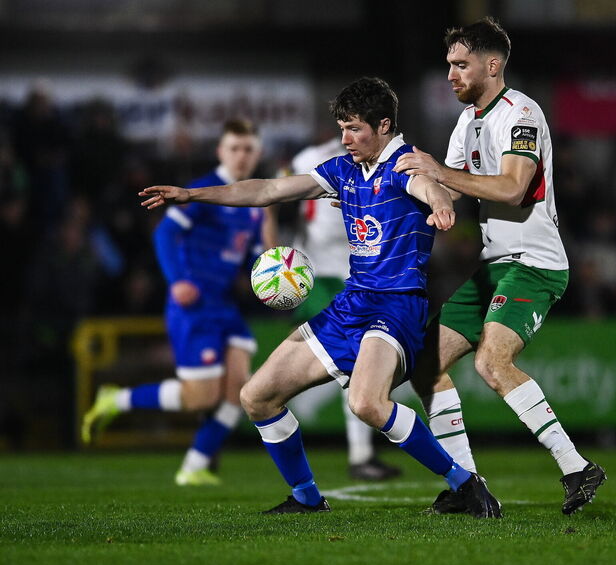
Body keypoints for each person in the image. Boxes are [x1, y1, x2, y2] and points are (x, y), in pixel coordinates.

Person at [139, 77, 502, 517]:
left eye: (354, 128)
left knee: (367, 403)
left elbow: (429, 188)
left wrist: (440, 203)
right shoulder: (344, 170)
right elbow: (269, 191)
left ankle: (465, 484)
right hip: (352, 304)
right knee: (257, 396)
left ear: (383, 125)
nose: (345, 138)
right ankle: (307, 498)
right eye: (342, 127)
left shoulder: (405, 163)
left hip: (396, 307)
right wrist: (193, 195)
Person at [395, 18, 606, 515]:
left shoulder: (522, 115)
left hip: (535, 263)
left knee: (492, 363)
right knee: (425, 367)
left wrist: (438, 173)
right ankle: (469, 486)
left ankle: (576, 466)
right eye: (449, 64)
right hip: (494, 267)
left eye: (460, 64)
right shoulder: (466, 123)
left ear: (493, 65)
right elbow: (444, 189)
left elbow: (512, 187)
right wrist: (385, 193)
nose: (450, 73)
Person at [82, 118, 266, 486]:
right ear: (220, 151)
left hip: (225, 306)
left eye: (248, 149)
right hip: (193, 306)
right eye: (234, 148)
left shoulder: (255, 204)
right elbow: (165, 233)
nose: (242, 156)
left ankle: (194, 465)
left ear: (257, 152)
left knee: (241, 390)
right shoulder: (202, 192)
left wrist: (271, 277)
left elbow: (251, 260)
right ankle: (116, 400)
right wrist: (178, 280)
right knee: (200, 398)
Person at [267, 136, 402, 481]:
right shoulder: (331, 157)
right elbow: (274, 196)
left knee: (353, 366)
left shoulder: (315, 156)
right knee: (357, 365)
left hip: (349, 273)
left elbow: (275, 195)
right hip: (321, 274)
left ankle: (358, 453)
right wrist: (273, 253)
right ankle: (358, 456)